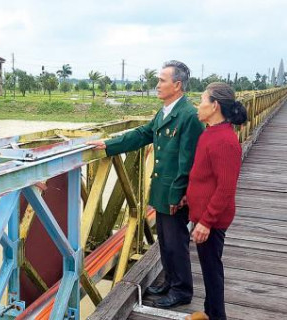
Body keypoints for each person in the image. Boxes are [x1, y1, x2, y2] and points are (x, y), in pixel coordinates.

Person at [87, 60, 204, 308]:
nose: (157, 84)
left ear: (177, 84)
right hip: (161, 190)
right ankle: (169, 283)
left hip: (174, 193)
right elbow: (142, 135)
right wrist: (109, 145)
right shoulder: (165, 111)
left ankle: (182, 291)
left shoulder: (189, 116)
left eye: (162, 80)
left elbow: (189, 161)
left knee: (176, 242)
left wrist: (178, 194)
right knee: (165, 240)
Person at [187, 82, 247, 320]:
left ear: (214, 106)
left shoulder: (224, 140)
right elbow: (204, 176)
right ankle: (210, 312)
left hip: (212, 219)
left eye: (202, 101)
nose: (198, 106)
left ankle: (217, 315)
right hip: (202, 215)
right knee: (208, 267)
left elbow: (226, 188)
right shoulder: (211, 133)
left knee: (212, 270)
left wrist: (206, 222)